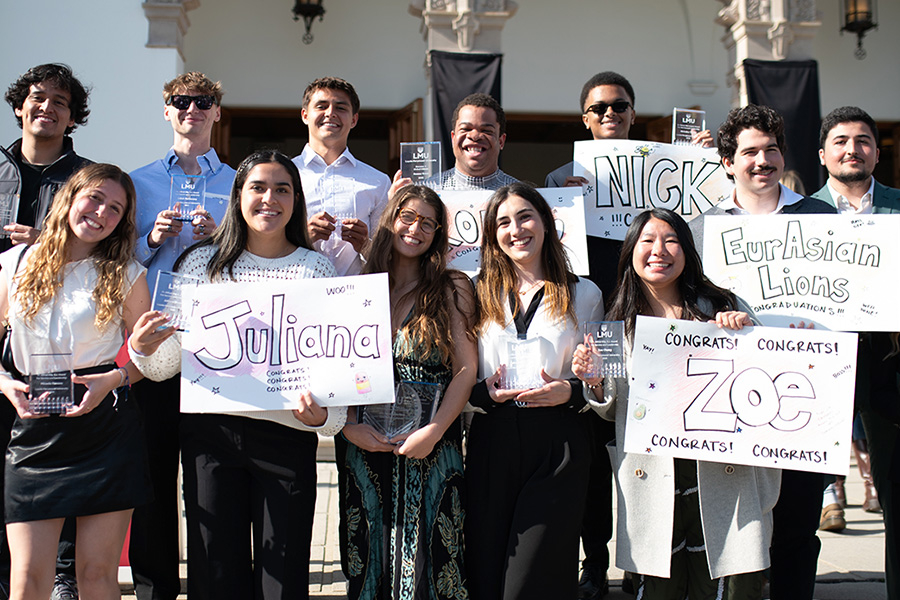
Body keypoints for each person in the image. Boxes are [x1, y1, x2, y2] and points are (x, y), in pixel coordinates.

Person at [129, 149, 346, 600]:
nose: (270, 199)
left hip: (287, 438)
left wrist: (324, 418)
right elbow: (165, 364)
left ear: (295, 199)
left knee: (282, 581)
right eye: (258, 187)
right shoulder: (199, 265)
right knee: (216, 574)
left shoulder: (317, 269)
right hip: (212, 438)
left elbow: (336, 381)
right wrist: (141, 347)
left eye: (282, 189)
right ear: (238, 196)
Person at [573, 207, 780, 599]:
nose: (659, 251)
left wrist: (744, 333)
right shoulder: (616, 321)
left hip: (721, 475)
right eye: (647, 241)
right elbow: (614, 408)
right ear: (630, 252)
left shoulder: (722, 305)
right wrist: (596, 381)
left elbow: (765, 381)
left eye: (670, 240)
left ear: (686, 251)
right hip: (655, 478)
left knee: (731, 587)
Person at [689, 104, 835, 600]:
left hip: (808, 394)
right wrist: (714, 320)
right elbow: (688, 305)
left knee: (796, 525)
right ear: (727, 162)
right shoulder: (703, 227)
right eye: (749, 151)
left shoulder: (819, 216)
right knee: (740, 525)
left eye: (771, 149)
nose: (762, 160)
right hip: (733, 398)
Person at [0, 163, 153, 600]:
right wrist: (4, 383)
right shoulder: (15, 264)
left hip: (105, 428)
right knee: (28, 579)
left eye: (115, 208)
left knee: (97, 574)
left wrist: (118, 377)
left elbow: (156, 356)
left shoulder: (126, 274)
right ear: (71, 197)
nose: (102, 212)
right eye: (95, 198)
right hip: (33, 427)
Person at [465, 181, 604, 600]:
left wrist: (574, 391)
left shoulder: (586, 293)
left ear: (546, 222)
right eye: (503, 222)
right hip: (493, 439)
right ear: (492, 236)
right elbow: (458, 373)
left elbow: (603, 377)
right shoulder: (474, 290)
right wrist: (481, 393)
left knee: (533, 579)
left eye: (525, 216)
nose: (516, 229)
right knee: (488, 572)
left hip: (558, 444)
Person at [338, 184, 477, 599]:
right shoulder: (359, 284)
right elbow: (337, 367)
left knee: (434, 563)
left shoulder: (453, 286)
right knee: (368, 554)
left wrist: (434, 431)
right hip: (366, 442)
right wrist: (347, 426)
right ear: (391, 219)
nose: (416, 229)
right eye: (408, 217)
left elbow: (466, 370)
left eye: (429, 224)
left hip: (431, 443)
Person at [127, 71, 235, 600]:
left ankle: (210, 589)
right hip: (154, 346)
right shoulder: (135, 181)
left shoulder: (243, 183)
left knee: (208, 485)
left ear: (217, 112)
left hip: (217, 350)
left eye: (203, 101)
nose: (191, 109)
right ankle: (155, 592)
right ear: (166, 110)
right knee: (151, 479)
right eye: (180, 101)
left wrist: (225, 242)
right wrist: (149, 239)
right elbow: (112, 262)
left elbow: (258, 261)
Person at [0, 63, 93, 600]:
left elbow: (102, 244)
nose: (47, 108)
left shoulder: (84, 179)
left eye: (61, 101)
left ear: (73, 116)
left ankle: (60, 574)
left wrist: (48, 241)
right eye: (38, 98)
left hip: (53, 340)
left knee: (52, 452)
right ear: (20, 106)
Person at [811, 105, 900, 599]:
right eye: (841, 141)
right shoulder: (799, 214)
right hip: (821, 362)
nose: (852, 149)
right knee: (805, 493)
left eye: (862, 140)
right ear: (823, 155)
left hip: (890, 361)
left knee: (895, 486)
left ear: (876, 152)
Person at [292, 76, 391, 276]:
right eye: (321, 106)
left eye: (340, 108)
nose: (330, 113)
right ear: (305, 115)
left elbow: (388, 257)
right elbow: (262, 243)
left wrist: (364, 245)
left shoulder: (378, 182)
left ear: (354, 119)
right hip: (297, 294)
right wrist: (302, 237)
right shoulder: (284, 175)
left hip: (354, 297)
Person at [424, 93, 518, 191]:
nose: (474, 136)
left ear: (501, 141)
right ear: (453, 138)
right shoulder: (429, 191)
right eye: (466, 129)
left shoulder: (521, 197)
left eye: (486, 130)